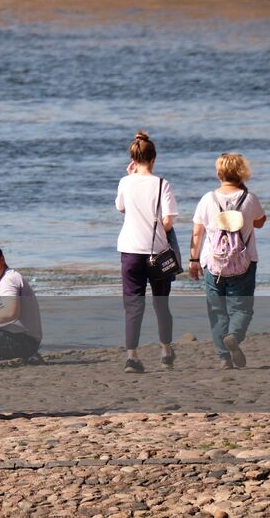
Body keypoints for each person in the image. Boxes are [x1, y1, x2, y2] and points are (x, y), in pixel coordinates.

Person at [189, 153, 265, 370]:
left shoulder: (207, 199)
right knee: (242, 309)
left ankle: (224, 357)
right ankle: (234, 335)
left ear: (218, 173)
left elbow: (197, 233)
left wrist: (193, 260)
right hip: (244, 262)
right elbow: (260, 222)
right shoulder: (249, 199)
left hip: (213, 264)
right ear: (242, 173)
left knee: (217, 311)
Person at [116, 131, 177, 373]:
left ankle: (132, 357)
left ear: (133, 158)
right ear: (154, 158)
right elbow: (168, 221)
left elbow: (121, 207)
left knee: (133, 305)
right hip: (157, 252)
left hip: (130, 251)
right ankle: (165, 350)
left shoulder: (124, 182)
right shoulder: (163, 184)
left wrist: (129, 176)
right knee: (161, 304)